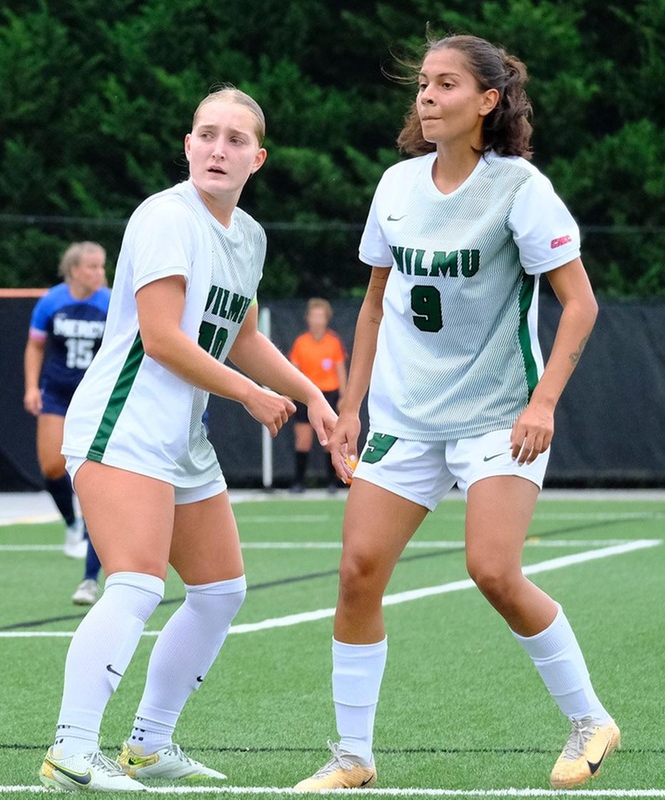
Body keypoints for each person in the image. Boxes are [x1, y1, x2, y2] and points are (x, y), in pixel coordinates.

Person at [298, 35, 612, 791]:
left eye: (446, 84)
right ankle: (352, 756)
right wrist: (350, 408)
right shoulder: (396, 186)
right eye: (423, 85)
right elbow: (372, 308)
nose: (427, 96)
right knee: (356, 575)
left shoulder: (520, 188)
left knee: (494, 571)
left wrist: (543, 403)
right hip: (406, 419)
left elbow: (580, 304)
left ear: (488, 101)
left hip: (498, 416)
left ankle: (590, 720)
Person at [41, 86, 333, 792]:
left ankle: (148, 743)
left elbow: (244, 336)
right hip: (123, 426)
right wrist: (249, 394)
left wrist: (312, 395)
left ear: (257, 158)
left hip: (180, 441)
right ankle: (71, 750)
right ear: (188, 145)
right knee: (137, 583)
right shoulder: (166, 218)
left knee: (219, 592)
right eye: (207, 134)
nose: (218, 148)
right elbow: (162, 337)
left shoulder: (251, 237)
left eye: (236, 139)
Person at [23, 241, 112, 604]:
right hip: (58, 394)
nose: (99, 273)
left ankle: (90, 578)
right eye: (91, 267)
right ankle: (72, 525)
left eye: (102, 266)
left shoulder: (111, 301)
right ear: (73, 269)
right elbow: (35, 346)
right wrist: (31, 386)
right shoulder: (51, 301)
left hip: (98, 398)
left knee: (94, 481)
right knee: (51, 465)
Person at [286, 298, 347, 493]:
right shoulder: (301, 343)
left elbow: (340, 371)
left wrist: (344, 397)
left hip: (329, 394)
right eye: (314, 316)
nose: (317, 320)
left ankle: (332, 482)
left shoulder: (333, 342)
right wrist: (288, 395)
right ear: (308, 319)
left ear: (326, 319)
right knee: (303, 440)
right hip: (306, 395)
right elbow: (292, 371)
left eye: (321, 316)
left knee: (330, 440)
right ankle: (298, 482)